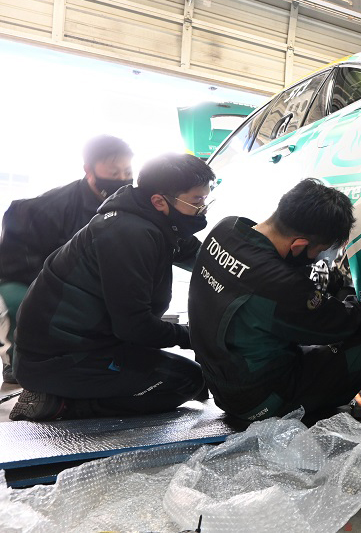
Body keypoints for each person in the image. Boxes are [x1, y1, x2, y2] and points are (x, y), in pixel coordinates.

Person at [188, 178, 361, 422]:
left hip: (220, 385)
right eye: (319, 251)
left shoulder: (226, 228)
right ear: (299, 245)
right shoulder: (280, 284)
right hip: (261, 401)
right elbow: (341, 324)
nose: (318, 257)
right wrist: (348, 295)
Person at [9, 153, 215, 421]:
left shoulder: (156, 221)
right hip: (57, 359)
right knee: (184, 381)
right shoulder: (130, 234)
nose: (203, 208)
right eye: (197, 201)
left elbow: (202, 259)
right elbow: (134, 327)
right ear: (159, 201)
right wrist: (193, 335)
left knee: (191, 377)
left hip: (86, 344)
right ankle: (58, 403)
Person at [0, 135, 134, 384]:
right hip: (31, 277)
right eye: (114, 172)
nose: (122, 179)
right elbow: (17, 265)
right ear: (89, 171)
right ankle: (18, 360)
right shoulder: (47, 209)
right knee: (23, 301)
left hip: (85, 280)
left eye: (127, 172)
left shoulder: (129, 204)